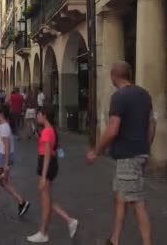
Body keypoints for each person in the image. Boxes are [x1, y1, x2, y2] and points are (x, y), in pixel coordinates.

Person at [86, 61, 155, 245]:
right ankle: (114, 239)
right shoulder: (144, 94)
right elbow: (152, 124)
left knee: (137, 202)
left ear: (114, 76)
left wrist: (96, 151)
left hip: (127, 157)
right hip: (137, 153)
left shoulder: (119, 97)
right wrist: (145, 148)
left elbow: (113, 129)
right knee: (120, 196)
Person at [27, 108, 78, 243]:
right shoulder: (51, 130)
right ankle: (63, 223)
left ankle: (45, 231)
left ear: (44, 115)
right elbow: (55, 149)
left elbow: (47, 154)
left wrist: (43, 176)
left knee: (46, 201)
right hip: (50, 165)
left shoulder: (47, 132)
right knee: (47, 199)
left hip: (46, 165)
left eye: (38, 114)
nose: (37, 116)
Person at [0, 104, 30, 218]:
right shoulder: (3, 125)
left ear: (1, 113)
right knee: (3, 182)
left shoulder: (4, 128)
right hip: (3, 156)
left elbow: (6, 146)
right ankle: (21, 202)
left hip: (1, 156)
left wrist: (6, 164)